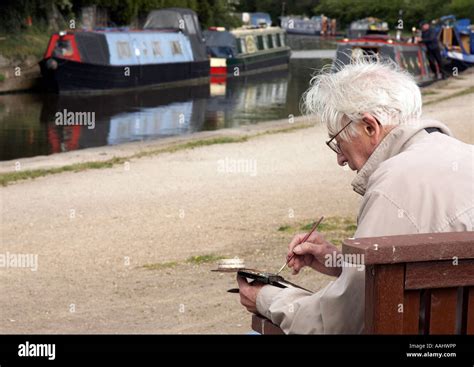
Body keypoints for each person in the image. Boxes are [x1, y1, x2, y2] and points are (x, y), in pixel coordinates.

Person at [236, 57, 473, 334]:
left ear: (370, 127)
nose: (339, 158)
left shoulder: (394, 185)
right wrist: (341, 263)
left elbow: (337, 326)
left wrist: (266, 298)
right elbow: (410, 277)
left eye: (338, 141)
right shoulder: (465, 155)